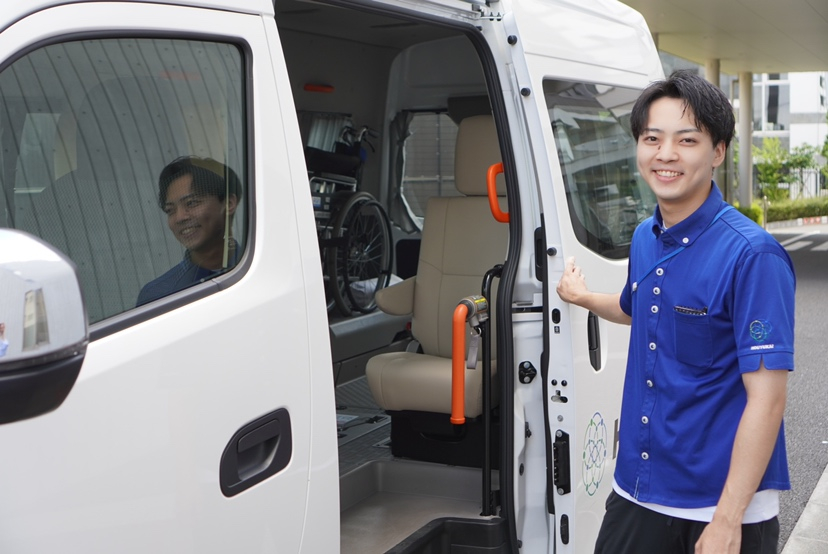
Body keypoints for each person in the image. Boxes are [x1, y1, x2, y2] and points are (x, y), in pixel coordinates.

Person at [557, 70, 795, 554]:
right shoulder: (646, 236)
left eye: (686, 140)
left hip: (720, 504)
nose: (665, 154)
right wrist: (583, 297)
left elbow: (767, 400)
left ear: (718, 151)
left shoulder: (753, 256)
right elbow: (638, 309)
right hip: (638, 487)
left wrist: (728, 520)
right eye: (652, 138)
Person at [137, 156, 242, 306]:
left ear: (228, 203)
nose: (179, 217)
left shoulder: (259, 271)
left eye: (191, 203)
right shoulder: (157, 295)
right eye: (170, 210)